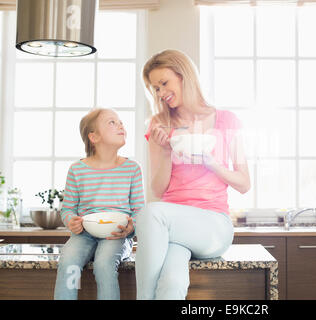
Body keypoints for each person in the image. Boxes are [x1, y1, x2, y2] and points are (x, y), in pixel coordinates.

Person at [136, 49, 251, 300]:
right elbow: (157, 190)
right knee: (172, 282)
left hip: (213, 225)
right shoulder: (158, 124)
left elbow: (244, 183)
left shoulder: (226, 120)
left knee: (151, 213)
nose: (160, 92)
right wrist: (166, 152)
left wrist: (212, 164)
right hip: (173, 226)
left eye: (164, 83)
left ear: (183, 75)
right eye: (154, 88)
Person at [54, 108, 145, 300]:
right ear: (93, 137)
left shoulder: (132, 169)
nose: (120, 124)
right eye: (112, 122)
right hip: (84, 235)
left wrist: (131, 227)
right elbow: (68, 208)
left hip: (116, 234)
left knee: (104, 265)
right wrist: (71, 221)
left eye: (120, 121)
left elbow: (139, 211)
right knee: (69, 263)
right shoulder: (77, 170)